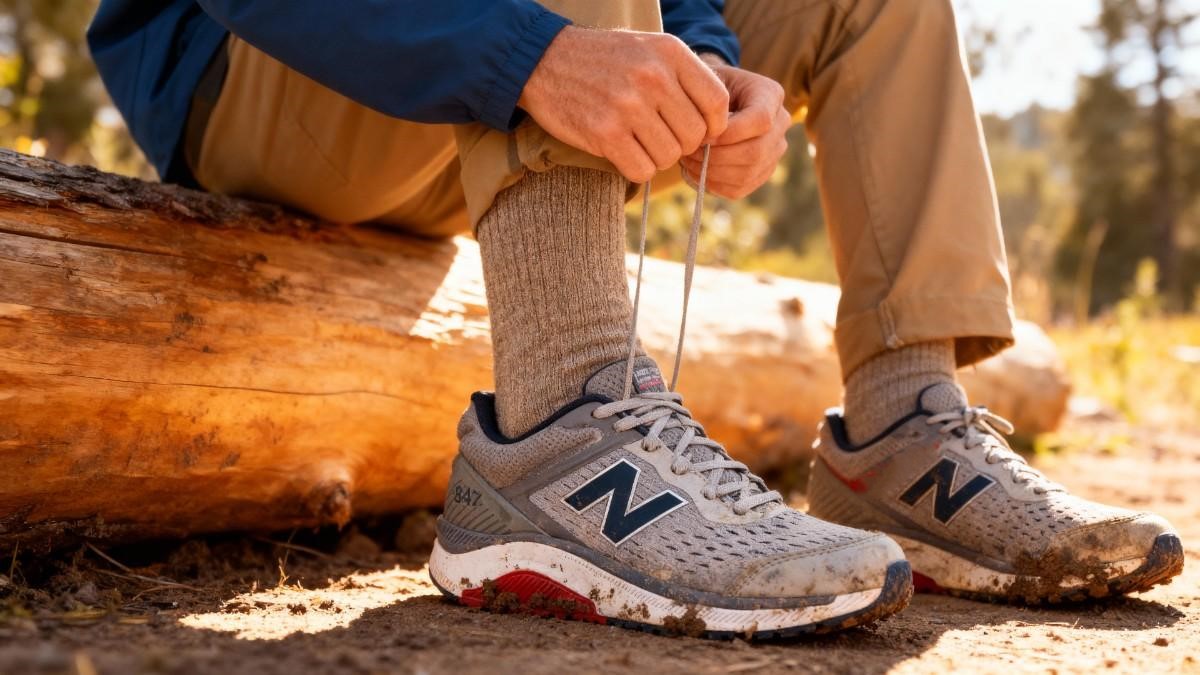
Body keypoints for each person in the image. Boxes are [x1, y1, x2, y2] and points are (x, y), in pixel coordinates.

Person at [88, 0, 1183, 637]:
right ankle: (566, 430)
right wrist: (527, 52)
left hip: (484, 78)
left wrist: (700, 58)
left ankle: (908, 434)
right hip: (278, 79)